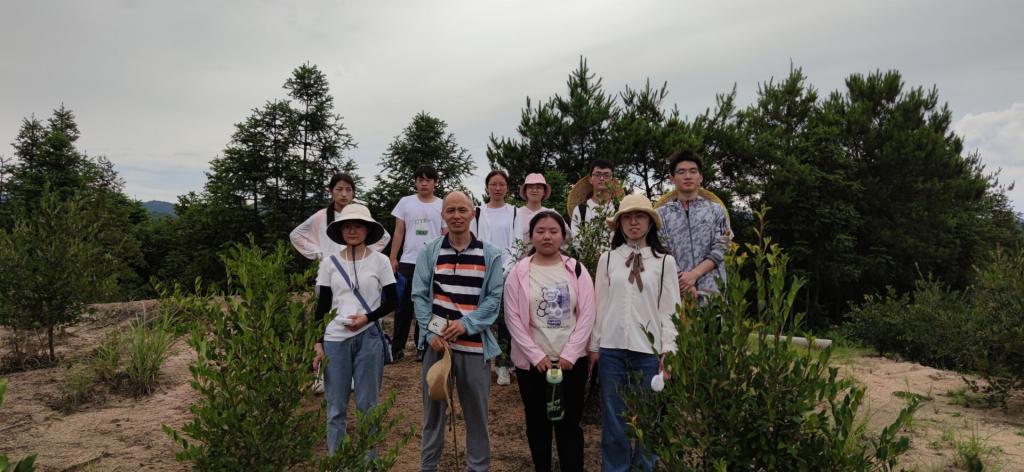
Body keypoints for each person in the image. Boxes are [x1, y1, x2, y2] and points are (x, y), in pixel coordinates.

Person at [413, 191, 504, 472]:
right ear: (442, 215)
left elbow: (494, 298)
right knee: (433, 415)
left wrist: (467, 324)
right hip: (437, 347)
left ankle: (477, 468)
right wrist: (431, 334)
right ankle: (428, 466)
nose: (456, 216)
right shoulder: (430, 251)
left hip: (474, 348)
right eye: (450, 210)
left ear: (472, 213)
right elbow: (420, 296)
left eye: (462, 210)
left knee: (477, 416)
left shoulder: (490, 254)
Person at [589, 194, 680, 472]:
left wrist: (669, 350)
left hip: (648, 352)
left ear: (650, 222)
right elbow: (600, 305)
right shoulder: (607, 259)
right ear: (619, 223)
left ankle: (643, 468)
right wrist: (594, 346)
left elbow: (670, 310)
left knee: (648, 419)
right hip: (612, 349)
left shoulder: (664, 262)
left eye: (639, 216)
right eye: (627, 217)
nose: (633, 222)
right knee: (614, 420)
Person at [504, 210, 596, 472]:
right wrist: (536, 356)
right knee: (537, 424)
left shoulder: (576, 269)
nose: (547, 236)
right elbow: (512, 317)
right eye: (540, 231)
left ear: (563, 236)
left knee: (570, 424)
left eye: (553, 231)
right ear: (531, 236)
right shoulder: (518, 272)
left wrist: (571, 353)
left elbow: (587, 313)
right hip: (533, 365)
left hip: (571, 363)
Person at [311, 203, 397, 455]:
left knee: (367, 406)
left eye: (358, 226)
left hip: (369, 337)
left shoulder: (380, 261)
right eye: (347, 226)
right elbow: (322, 306)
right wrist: (317, 342)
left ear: (367, 230)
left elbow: (393, 300)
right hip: (334, 339)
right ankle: (336, 462)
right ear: (340, 230)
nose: (352, 230)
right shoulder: (329, 263)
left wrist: (368, 317)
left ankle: (370, 463)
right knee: (335, 407)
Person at [656, 150, 731, 302]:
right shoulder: (660, 214)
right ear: (672, 178)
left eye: (693, 171)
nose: (688, 176)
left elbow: (723, 246)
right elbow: (660, 250)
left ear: (700, 177)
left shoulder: (716, 210)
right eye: (681, 172)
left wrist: (694, 274)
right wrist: (684, 282)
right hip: (675, 293)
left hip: (713, 294)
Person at [390, 165, 445, 362]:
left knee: (430, 306)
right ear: (415, 182)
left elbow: (445, 234)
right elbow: (399, 231)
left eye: (428, 180)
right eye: (420, 179)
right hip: (408, 261)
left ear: (435, 183)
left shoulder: (442, 204)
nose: (424, 183)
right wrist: (393, 257)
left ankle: (424, 345)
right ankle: (397, 348)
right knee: (403, 307)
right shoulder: (405, 202)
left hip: (433, 262)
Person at [470, 170, 519, 386]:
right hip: (481, 270)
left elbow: (517, 244)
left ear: (507, 188)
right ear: (487, 187)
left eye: (502, 184)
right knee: (481, 315)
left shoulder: (514, 212)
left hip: (508, 271)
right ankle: (479, 361)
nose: (497, 188)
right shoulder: (477, 212)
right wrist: (485, 268)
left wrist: (504, 269)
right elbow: (473, 241)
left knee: (505, 319)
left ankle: (503, 365)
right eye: (493, 184)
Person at [290, 173, 391, 259]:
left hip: (358, 268)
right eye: (339, 189)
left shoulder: (359, 215)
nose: (344, 194)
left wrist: (365, 254)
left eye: (348, 190)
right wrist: (318, 253)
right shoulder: (321, 216)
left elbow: (384, 237)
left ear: (353, 192)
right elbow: (296, 235)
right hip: (330, 268)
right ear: (331, 191)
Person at [569, 159, 618, 237]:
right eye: (597, 174)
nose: (602, 178)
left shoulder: (619, 208)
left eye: (606, 175)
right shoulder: (580, 210)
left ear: (612, 181)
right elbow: (576, 238)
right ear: (590, 179)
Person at [516, 173, 554, 242]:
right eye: (530, 187)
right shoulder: (516, 214)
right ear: (525, 191)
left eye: (539, 187)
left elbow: (566, 237)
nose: (534, 190)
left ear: (544, 192)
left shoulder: (552, 213)